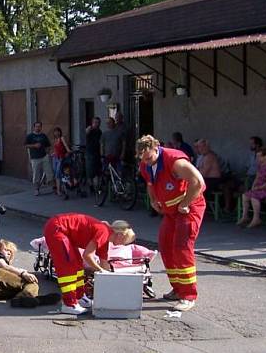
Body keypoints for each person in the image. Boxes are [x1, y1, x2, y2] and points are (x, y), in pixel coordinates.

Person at [137, 135, 206, 312]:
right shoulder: (146, 163)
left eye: (149, 158)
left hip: (188, 209)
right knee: (166, 246)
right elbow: (150, 183)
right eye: (142, 159)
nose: (146, 162)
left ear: (156, 148)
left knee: (182, 248)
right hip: (170, 211)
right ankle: (178, 288)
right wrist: (153, 200)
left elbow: (198, 182)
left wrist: (185, 203)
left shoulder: (174, 161)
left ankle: (188, 296)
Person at [42, 213, 132, 315]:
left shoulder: (105, 237)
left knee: (78, 264)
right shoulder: (104, 232)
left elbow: (104, 263)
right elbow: (87, 256)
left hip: (61, 229)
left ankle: (79, 297)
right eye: (125, 242)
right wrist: (100, 270)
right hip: (57, 228)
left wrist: (110, 279)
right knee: (68, 266)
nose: (124, 245)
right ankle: (69, 304)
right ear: (120, 235)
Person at [238, 146, 266, 228]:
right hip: (259, 188)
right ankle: (245, 216)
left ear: (265, 156)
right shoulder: (260, 165)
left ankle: (256, 218)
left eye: (259, 156)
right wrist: (254, 186)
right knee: (245, 195)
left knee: (254, 197)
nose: (257, 158)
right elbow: (257, 177)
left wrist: (259, 188)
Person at [24, 121, 53, 196]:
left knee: (49, 172)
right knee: (36, 174)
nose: (38, 128)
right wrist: (34, 146)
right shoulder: (30, 136)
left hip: (44, 156)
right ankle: (36, 189)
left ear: (41, 127)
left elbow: (48, 145)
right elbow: (26, 145)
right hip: (35, 158)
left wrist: (48, 152)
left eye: (39, 126)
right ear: (34, 127)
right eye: (36, 126)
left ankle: (53, 186)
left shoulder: (43, 136)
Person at [51, 127, 71, 197]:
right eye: (55, 132)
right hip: (55, 158)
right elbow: (56, 149)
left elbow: (65, 145)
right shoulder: (55, 139)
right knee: (55, 172)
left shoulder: (62, 138)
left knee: (58, 173)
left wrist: (68, 150)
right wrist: (53, 153)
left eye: (58, 131)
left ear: (60, 132)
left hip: (60, 158)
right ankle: (58, 188)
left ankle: (58, 190)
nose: (57, 133)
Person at [84, 117, 103, 192]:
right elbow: (86, 132)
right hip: (90, 152)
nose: (97, 124)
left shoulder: (99, 132)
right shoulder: (90, 130)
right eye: (95, 122)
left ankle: (97, 186)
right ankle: (91, 185)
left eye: (98, 122)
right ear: (92, 123)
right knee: (90, 170)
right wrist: (89, 128)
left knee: (97, 170)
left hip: (97, 152)